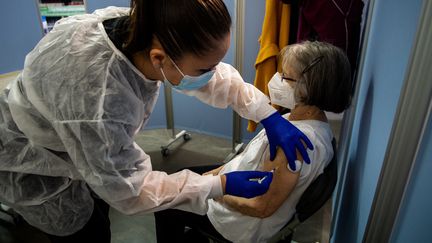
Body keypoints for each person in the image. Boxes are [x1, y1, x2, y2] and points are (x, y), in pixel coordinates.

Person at [0, 0, 314, 242]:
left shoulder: (141, 28)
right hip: (32, 159)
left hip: (73, 133)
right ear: (159, 58)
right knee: (86, 230)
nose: (212, 75)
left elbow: (214, 79)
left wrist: (267, 114)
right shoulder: (101, 100)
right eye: (203, 69)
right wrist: (217, 185)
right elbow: (128, 189)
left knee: (97, 201)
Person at [154, 40, 352, 243]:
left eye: (284, 76)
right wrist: (216, 174)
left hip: (236, 223)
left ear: (310, 87)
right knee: (181, 177)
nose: (276, 80)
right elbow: (251, 159)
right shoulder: (311, 121)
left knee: (166, 201)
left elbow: (260, 207)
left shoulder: (295, 146)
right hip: (235, 180)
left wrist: (214, 188)